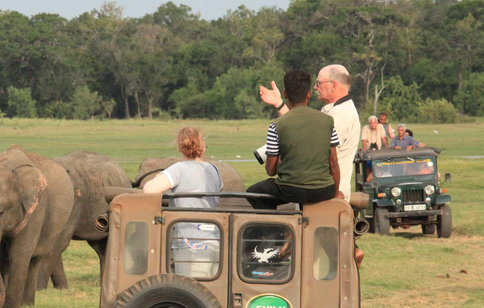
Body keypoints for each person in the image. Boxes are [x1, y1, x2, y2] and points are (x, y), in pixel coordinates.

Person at [260, 64, 360, 201]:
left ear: (334, 85)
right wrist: (279, 104)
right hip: (324, 189)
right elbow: (301, 124)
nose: (315, 87)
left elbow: (308, 142)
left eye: (318, 83)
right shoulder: (333, 111)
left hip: (329, 194)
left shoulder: (341, 114)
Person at [246, 69, 342, 211]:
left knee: (253, 193)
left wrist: (282, 162)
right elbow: (333, 163)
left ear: (285, 94)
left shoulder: (277, 125)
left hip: (291, 190)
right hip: (324, 190)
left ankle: (274, 231)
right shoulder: (328, 121)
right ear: (308, 94)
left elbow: (271, 171)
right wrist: (335, 192)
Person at [143, 126, 223, 277]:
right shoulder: (213, 169)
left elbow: (149, 189)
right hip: (214, 240)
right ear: (202, 146)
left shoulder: (179, 169)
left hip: (190, 244)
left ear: (180, 146)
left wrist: (158, 178)